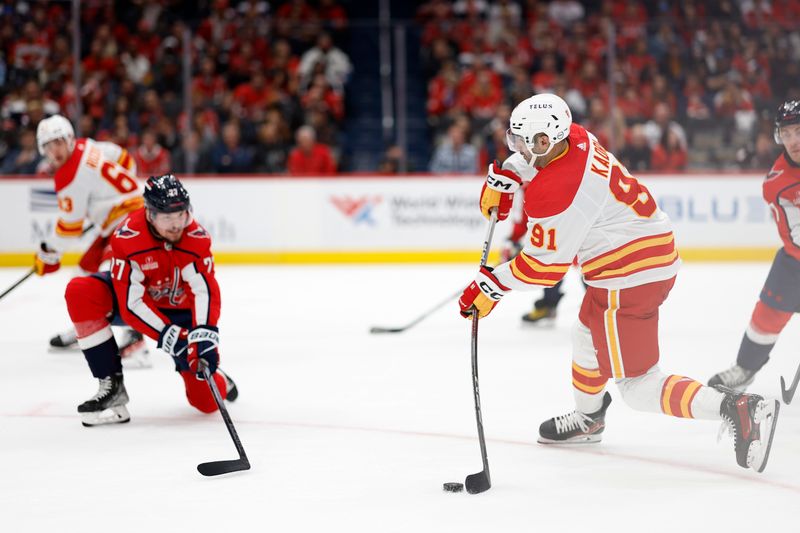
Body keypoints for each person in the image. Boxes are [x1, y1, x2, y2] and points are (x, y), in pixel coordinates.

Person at [457, 93, 780, 473]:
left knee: (638, 386)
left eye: (521, 142)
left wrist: (492, 285)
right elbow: (537, 162)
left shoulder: (559, 191)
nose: (515, 147)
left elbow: (545, 268)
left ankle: (738, 410)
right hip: (643, 254)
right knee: (585, 337)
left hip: (626, 274)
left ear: (544, 141)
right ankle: (589, 418)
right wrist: (511, 172)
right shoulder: (574, 136)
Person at [63, 174, 237, 426]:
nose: (177, 224)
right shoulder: (127, 238)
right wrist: (171, 336)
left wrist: (204, 335)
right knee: (81, 291)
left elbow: (205, 291)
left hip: (183, 312)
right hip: (138, 306)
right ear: (150, 214)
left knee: (206, 403)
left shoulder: (196, 238)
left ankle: (216, 377)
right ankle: (111, 386)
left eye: (181, 214)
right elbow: (131, 304)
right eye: (167, 217)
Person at [35, 114, 150, 367]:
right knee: (85, 271)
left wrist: (48, 252)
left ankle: (135, 338)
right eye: (48, 145)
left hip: (128, 220)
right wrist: (108, 199)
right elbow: (123, 159)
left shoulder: (67, 175)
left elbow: (69, 229)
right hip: (128, 213)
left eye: (58, 142)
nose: (55, 150)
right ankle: (90, 326)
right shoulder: (86, 145)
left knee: (112, 274)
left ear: (68, 138)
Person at [709, 100, 800, 390]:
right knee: (767, 313)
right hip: (795, 260)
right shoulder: (778, 183)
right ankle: (745, 368)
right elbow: (796, 235)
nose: (793, 140)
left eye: (798, 131)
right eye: (786, 133)